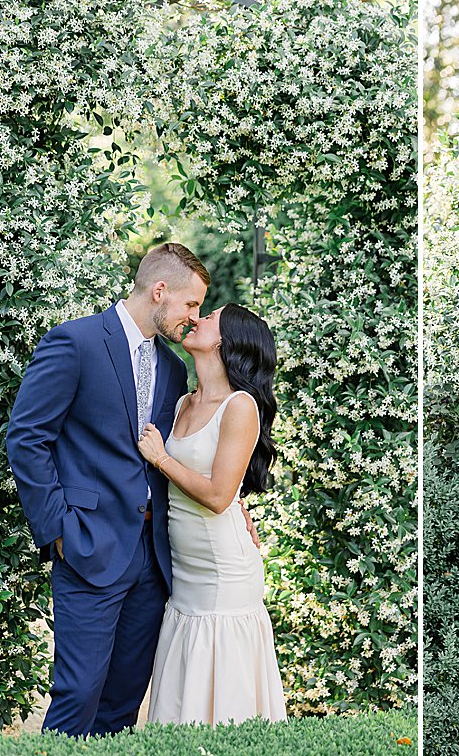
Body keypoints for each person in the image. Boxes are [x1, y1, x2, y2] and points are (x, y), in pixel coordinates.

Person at [6, 243, 255, 735]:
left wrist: (233, 504)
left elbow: (177, 452)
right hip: (86, 546)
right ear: (159, 291)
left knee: (125, 697)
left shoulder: (171, 369)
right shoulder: (75, 342)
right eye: (191, 305)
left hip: (154, 559)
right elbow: (27, 437)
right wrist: (57, 528)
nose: (194, 317)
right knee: (79, 692)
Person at [138, 303, 287, 725]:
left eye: (210, 318)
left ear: (224, 341)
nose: (197, 319)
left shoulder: (240, 406)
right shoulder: (184, 401)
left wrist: (161, 458)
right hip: (184, 570)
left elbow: (220, 495)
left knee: (221, 683)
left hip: (222, 571)